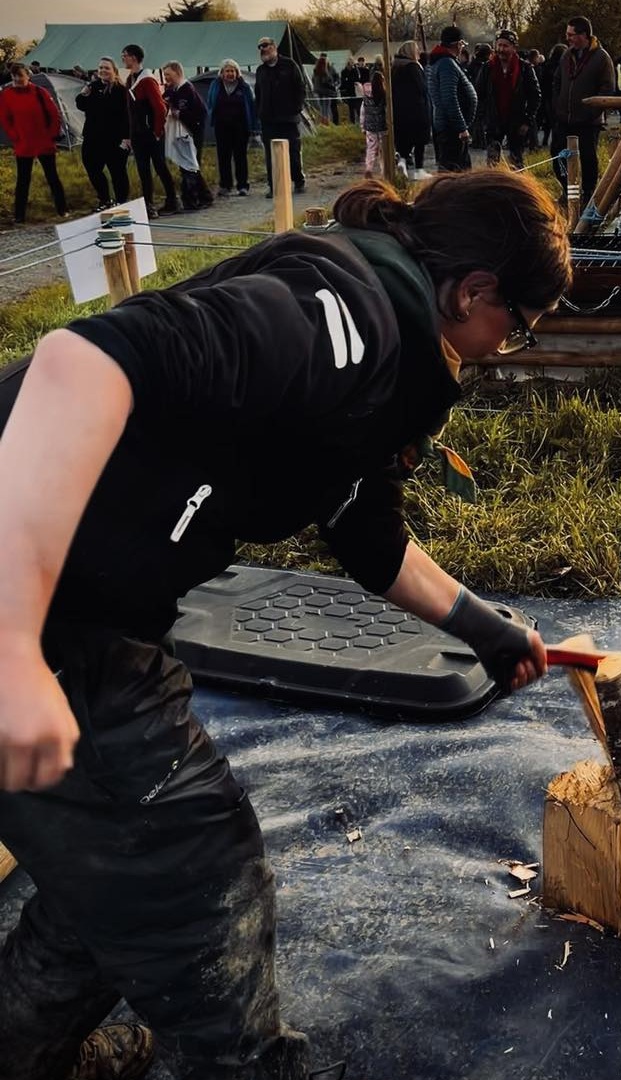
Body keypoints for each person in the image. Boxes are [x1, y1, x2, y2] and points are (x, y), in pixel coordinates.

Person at [0, 166, 570, 1080]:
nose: (509, 347)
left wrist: (482, 626)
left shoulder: (386, 357)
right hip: (38, 602)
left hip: (88, 607)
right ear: (475, 291)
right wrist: (12, 648)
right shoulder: (336, 318)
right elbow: (79, 364)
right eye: (520, 324)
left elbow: (362, 525)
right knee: (192, 869)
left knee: (109, 865)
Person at [551, 16, 615, 210]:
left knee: (588, 159)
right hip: (564, 119)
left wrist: (590, 112)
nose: (568, 38)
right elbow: (557, 82)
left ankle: (588, 194)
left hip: (588, 121)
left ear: (584, 35)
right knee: (557, 155)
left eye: (571, 35)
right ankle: (567, 189)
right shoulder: (566, 56)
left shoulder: (601, 58)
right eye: (567, 34)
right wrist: (557, 106)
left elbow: (608, 89)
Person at [0, 63, 68, 225]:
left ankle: (62, 209)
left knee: (52, 177)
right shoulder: (6, 95)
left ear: (28, 76)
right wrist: (15, 136)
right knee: (23, 180)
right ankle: (19, 215)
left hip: (43, 140)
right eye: (14, 77)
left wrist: (51, 135)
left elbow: (54, 114)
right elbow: (5, 119)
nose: (17, 79)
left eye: (20, 76)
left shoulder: (40, 92)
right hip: (24, 142)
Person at [121, 44, 179, 220]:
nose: (123, 58)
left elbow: (159, 108)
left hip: (151, 133)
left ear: (134, 57)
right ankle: (148, 204)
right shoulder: (130, 79)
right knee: (143, 170)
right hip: (138, 134)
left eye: (125, 55)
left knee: (160, 166)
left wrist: (156, 132)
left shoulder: (147, 80)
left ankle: (172, 200)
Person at [474, 28, 540, 170]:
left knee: (516, 162)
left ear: (514, 47)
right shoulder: (488, 68)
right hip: (493, 121)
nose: (501, 49)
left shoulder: (524, 68)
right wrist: (483, 118)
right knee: (492, 162)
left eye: (505, 46)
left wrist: (528, 120)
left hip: (517, 122)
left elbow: (535, 96)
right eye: (499, 45)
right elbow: (479, 95)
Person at [75, 56, 130, 211]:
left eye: (106, 68)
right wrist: (83, 94)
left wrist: (127, 138)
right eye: (100, 68)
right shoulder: (93, 86)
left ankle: (121, 202)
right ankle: (105, 199)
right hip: (93, 136)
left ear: (114, 71)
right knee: (92, 168)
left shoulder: (121, 90)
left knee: (117, 171)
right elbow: (81, 105)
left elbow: (127, 116)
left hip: (115, 138)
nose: (103, 71)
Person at [255, 35, 306, 197]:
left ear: (274, 46)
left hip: (288, 118)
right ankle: (274, 185)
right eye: (260, 47)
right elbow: (258, 93)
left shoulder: (289, 65)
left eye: (265, 45)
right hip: (268, 120)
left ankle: (298, 181)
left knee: (293, 151)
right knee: (271, 155)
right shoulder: (260, 70)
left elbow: (300, 87)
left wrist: (296, 108)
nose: (263, 49)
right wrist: (259, 111)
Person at [162, 61, 213, 211]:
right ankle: (202, 197)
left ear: (177, 73)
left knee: (190, 166)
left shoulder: (188, 89)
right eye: (165, 75)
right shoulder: (172, 89)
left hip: (191, 132)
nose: (166, 78)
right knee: (187, 166)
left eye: (168, 75)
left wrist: (181, 114)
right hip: (180, 133)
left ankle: (193, 199)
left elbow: (202, 112)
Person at [428, 25, 476, 173]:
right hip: (451, 130)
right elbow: (449, 98)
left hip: (450, 127)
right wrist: (461, 128)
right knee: (454, 173)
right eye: (461, 44)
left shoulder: (444, 62)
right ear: (456, 44)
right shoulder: (446, 64)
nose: (462, 48)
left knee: (457, 171)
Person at [207, 58, 257, 197]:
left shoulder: (244, 87)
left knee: (240, 156)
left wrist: (253, 126)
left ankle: (242, 185)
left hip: (241, 126)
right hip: (221, 126)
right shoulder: (215, 85)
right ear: (222, 73)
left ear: (237, 72)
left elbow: (251, 106)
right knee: (223, 156)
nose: (230, 73)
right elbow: (210, 101)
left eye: (233, 71)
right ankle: (225, 185)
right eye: (227, 71)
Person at [392, 41, 431, 179]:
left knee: (404, 140)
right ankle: (419, 169)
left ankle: (402, 162)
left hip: (399, 110)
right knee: (419, 141)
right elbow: (422, 88)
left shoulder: (395, 67)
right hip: (417, 109)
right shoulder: (413, 67)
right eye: (416, 49)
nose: (419, 51)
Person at [360, 56, 387, 178]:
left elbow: (362, 112)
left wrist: (362, 126)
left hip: (370, 126)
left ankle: (369, 168)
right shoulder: (384, 96)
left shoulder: (366, 97)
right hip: (382, 126)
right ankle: (383, 170)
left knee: (371, 148)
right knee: (382, 150)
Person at [537, 43, 566, 146]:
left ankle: (545, 140)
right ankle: (556, 141)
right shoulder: (564, 67)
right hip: (560, 98)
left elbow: (542, 82)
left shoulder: (546, 66)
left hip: (547, 97)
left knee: (549, 121)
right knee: (558, 122)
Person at [312, 53, 339, 124]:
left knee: (322, 108)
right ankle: (326, 123)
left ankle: (324, 122)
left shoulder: (316, 69)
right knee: (326, 108)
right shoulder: (324, 70)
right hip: (326, 91)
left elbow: (313, 80)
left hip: (319, 90)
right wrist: (333, 86)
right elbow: (326, 81)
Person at [339, 55, 363, 124]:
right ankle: (353, 122)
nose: (350, 65)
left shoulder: (355, 70)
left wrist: (349, 80)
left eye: (352, 63)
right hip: (348, 93)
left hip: (356, 92)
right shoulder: (344, 72)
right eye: (349, 63)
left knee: (358, 109)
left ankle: (360, 122)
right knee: (351, 109)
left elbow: (357, 79)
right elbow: (343, 82)